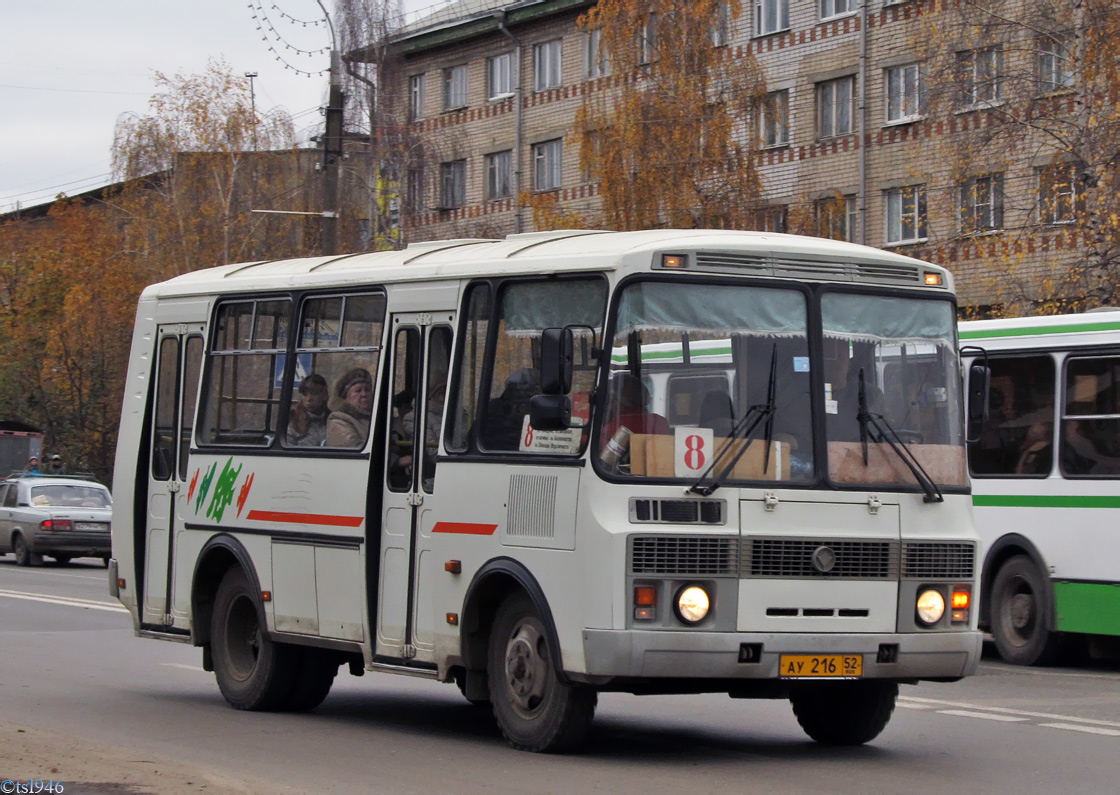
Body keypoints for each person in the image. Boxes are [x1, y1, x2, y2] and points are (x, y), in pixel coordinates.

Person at [600, 373, 670, 452]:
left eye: (610, 400)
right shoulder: (660, 422)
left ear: (616, 402)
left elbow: (605, 459)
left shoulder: (612, 428)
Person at [327, 367, 373, 448]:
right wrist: (397, 460)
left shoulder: (379, 418)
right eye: (358, 390)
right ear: (345, 396)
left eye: (367, 389)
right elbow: (355, 450)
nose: (364, 394)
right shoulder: (339, 421)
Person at [286, 374, 329, 447]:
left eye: (314, 393)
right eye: (305, 394)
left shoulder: (332, 420)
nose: (309, 399)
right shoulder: (293, 420)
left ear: (324, 395)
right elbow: (286, 449)